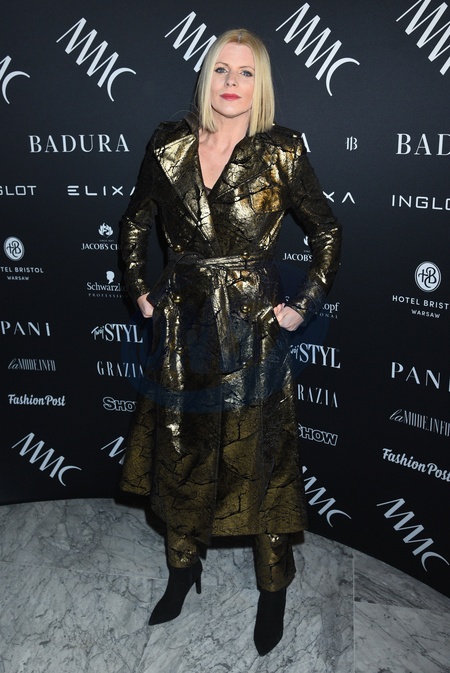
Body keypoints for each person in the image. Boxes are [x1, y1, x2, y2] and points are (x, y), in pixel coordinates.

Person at [119, 28, 341, 656]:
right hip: (182, 327)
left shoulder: (281, 151)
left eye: (245, 72)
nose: (232, 83)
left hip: (251, 329)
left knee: (261, 459)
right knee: (181, 448)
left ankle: (273, 588)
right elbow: (134, 221)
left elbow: (326, 230)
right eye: (221, 69)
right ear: (206, 76)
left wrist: (302, 305)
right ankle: (182, 570)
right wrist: (141, 291)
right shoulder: (168, 144)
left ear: (259, 82)